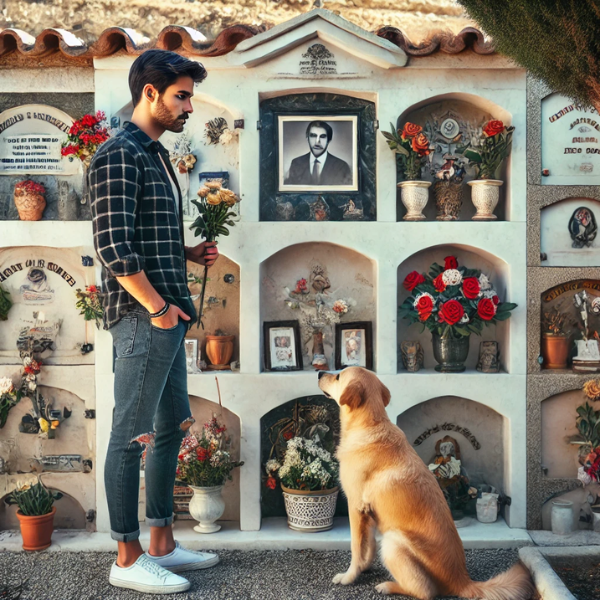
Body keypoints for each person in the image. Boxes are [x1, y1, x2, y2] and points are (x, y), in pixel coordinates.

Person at [89, 49, 219, 595]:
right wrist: (161, 310)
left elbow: (141, 230)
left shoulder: (156, 154)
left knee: (171, 428)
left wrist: (185, 252)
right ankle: (126, 554)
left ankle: (163, 541)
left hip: (167, 312)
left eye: (190, 95)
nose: (189, 105)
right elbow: (114, 247)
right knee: (131, 435)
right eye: (181, 95)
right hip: (147, 317)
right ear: (150, 93)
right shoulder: (119, 154)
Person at [284, 120, 352, 186]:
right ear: (307, 138)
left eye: (322, 136)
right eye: (313, 136)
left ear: (329, 140)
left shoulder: (341, 166)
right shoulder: (296, 163)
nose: (317, 141)